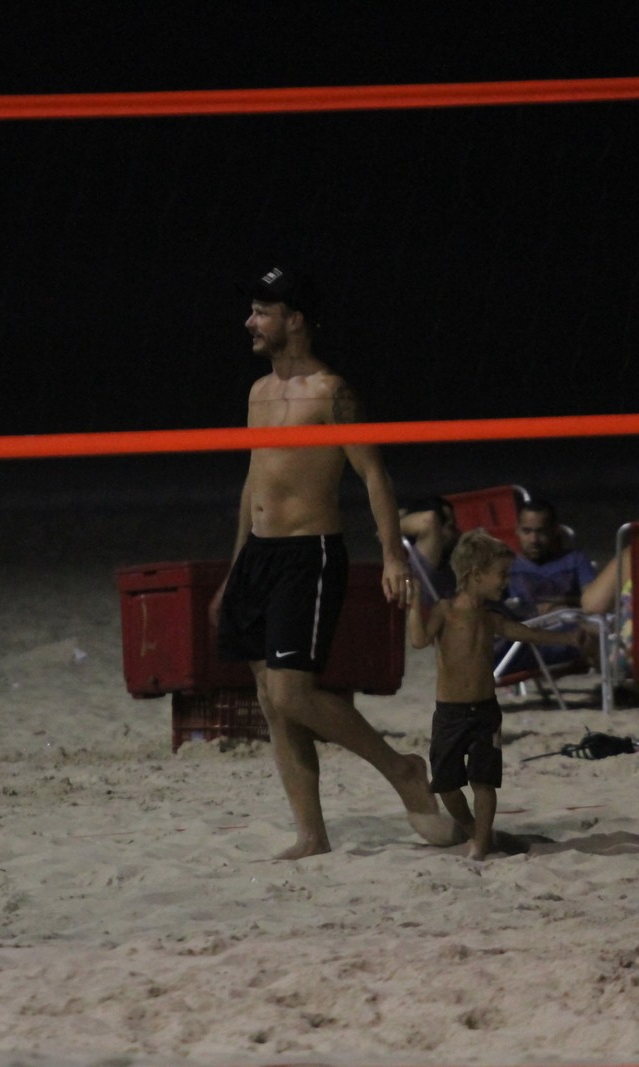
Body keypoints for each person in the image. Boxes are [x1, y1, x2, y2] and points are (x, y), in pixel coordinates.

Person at [209, 265, 459, 860]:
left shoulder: (331, 392)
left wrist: (393, 557)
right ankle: (311, 835)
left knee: (295, 695)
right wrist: (235, 568)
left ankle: (401, 770)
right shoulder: (257, 393)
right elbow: (253, 482)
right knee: (273, 703)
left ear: (294, 321)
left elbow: (374, 475)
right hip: (260, 556)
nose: (250, 322)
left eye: (262, 312)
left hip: (309, 554)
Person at [405, 530, 582, 860]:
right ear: (476, 574)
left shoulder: (491, 617)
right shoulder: (445, 611)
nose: (507, 582)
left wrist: (569, 639)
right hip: (449, 713)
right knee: (445, 783)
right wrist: (415, 603)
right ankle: (474, 830)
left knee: (484, 781)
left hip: (485, 711)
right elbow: (418, 640)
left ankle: (481, 845)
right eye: (502, 575)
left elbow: (527, 633)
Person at [496, 499, 596, 672]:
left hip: (569, 635)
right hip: (523, 643)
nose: (534, 539)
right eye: (527, 531)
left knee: (596, 629)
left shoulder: (574, 560)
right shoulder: (506, 566)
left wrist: (561, 604)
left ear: (554, 531)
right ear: (517, 531)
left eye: (541, 532)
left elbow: (596, 602)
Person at [399, 496, 460, 600]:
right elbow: (428, 520)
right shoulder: (422, 561)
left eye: (453, 522)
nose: (451, 525)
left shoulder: (452, 555)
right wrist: (387, 529)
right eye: (443, 519)